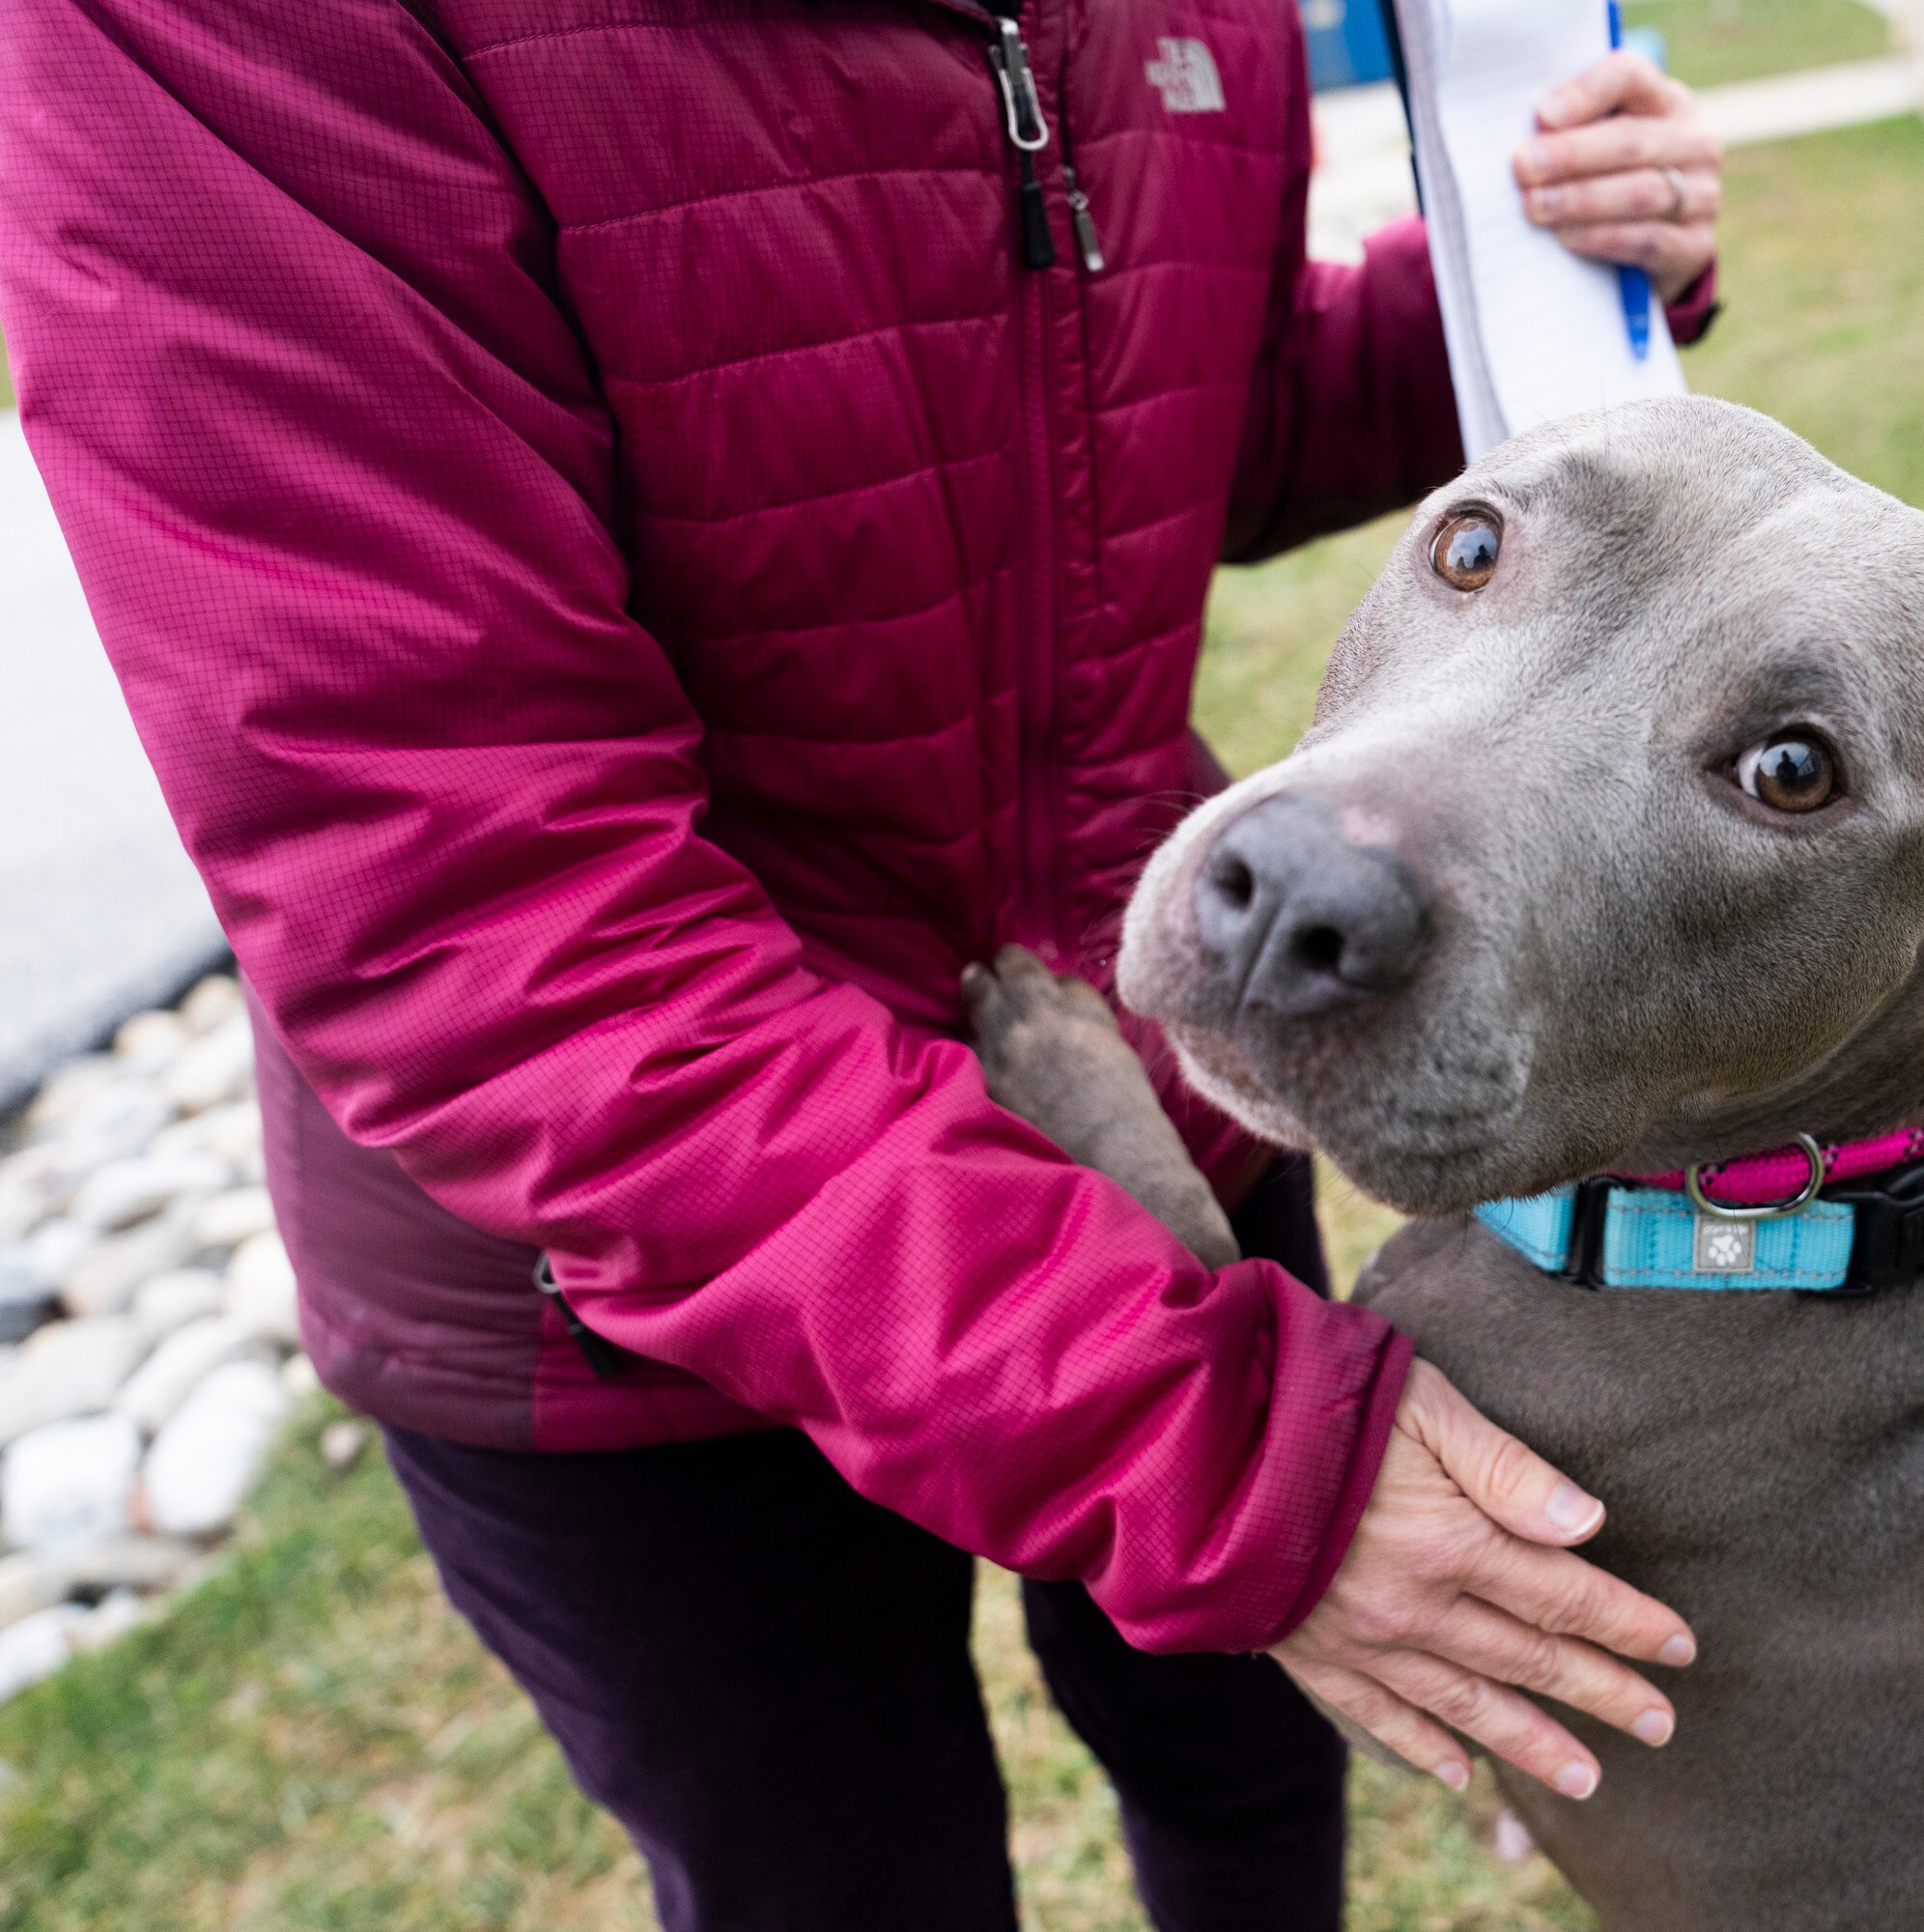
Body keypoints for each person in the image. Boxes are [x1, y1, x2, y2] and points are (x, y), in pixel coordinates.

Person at [0, 2, 1725, 1926]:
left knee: (1246, 1775)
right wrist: (1207, 1434)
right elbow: (480, 899)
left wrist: (1531, 276)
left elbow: (1190, 416)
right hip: (635, 1263)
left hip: (1138, 1092)